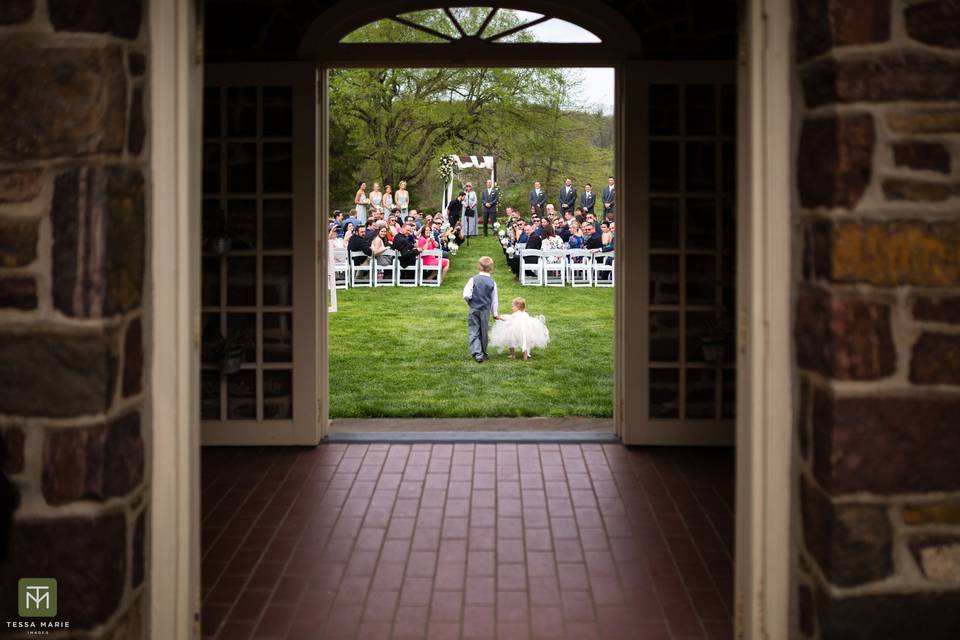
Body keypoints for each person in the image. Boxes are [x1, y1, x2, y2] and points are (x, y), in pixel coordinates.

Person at [462, 256, 500, 363]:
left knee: (474, 330)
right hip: (485, 311)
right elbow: (494, 299)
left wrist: (470, 302)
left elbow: (466, 294)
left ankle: (477, 353)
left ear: (478, 267)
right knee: (484, 331)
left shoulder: (473, 279)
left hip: (474, 308)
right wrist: (495, 313)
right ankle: (483, 352)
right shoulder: (492, 282)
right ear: (491, 268)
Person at [491, 297, 549, 361]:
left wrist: (500, 318)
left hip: (515, 331)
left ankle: (513, 355)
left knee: (510, 341)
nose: (511, 308)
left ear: (517, 307)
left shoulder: (515, 314)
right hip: (524, 331)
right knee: (525, 342)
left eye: (513, 306)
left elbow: (508, 318)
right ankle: (525, 355)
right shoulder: (525, 314)